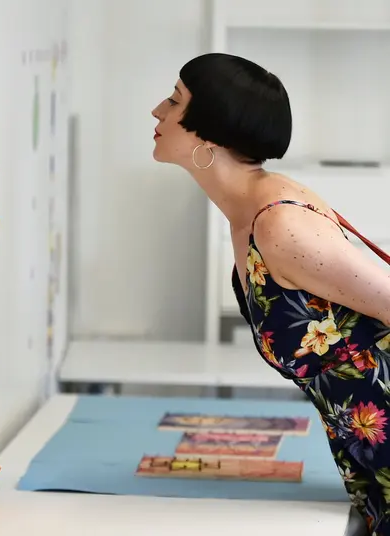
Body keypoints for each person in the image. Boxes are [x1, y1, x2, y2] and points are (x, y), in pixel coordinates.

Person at [150, 52, 390, 534]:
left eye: (175, 101)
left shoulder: (279, 223)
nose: (157, 111)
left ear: (210, 131)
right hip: (367, 447)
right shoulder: (254, 211)